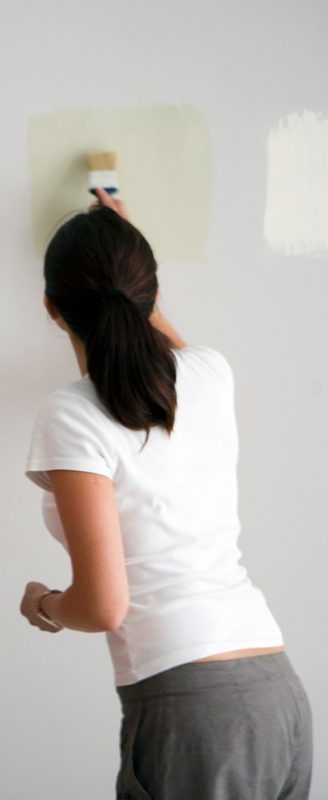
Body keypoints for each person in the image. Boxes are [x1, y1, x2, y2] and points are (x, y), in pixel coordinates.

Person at [20, 189, 312, 799]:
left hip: (192, 709)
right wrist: (131, 261)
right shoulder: (210, 372)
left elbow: (103, 607)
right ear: (152, 292)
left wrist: (43, 603)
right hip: (277, 691)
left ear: (51, 308)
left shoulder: (71, 415)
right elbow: (151, 330)